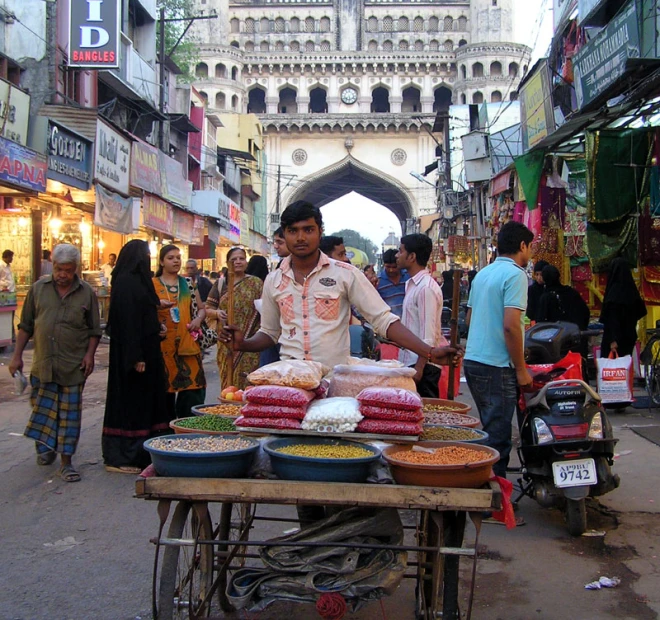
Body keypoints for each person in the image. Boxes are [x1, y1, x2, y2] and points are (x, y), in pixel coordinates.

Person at [220, 201, 460, 371]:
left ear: (320, 232)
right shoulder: (274, 280)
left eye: (308, 230)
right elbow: (271, 333)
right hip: (291, 380)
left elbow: (384, 321)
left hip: (334, 381)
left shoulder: (345, 274)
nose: (301, 238)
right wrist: (244, 344)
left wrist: (428, 352)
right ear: (284, 234)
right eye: (293, 231)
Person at [9, 244, 101, 482]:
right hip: (44, 364)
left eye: (68, 271)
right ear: (53, 265)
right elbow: (26, 325)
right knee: (42, 408)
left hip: (73, 366)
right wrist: (17, 356)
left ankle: (66, 462)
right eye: (59, 269)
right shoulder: (38, 289)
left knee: (69, 416)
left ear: (76, 270)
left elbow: (94, 330)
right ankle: (45, 446)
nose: (63, 275)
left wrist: (89, 355)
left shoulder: (86, 293)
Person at [464, 221, 534, 478]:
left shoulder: (483, 274)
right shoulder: (516, 275)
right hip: (496, 366)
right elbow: (511, 326)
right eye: (530, 247)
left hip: (474, 362)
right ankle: (493, 503)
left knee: (491, 430)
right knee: (498, 439)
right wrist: (522, 370)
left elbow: (470, 320)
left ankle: (488, 493)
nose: (530, 254)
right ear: (522, 246)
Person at [102, 240, 169, 474]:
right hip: (135, 357)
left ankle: (143, 454)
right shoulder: (128, 283)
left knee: (145, 403)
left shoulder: (137, 282)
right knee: (132, 404)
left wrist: (156, 329)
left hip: (146, 352)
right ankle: (123, 456)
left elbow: (143, 317)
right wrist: (136, 356)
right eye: (146, 255)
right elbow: (129, 324)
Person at [153, 245, 207, 419]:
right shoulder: (152, 285)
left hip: (188, 345)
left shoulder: (188, 284)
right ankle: (164, 437)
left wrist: (198, 320)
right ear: (161, 261)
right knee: (163, 394)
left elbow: (201, 309)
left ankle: (187, 433)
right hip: (162, 347)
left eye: (178, 257)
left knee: (192, 391)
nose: (176, 260)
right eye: (170, 257)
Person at [396, 234, 446, 398]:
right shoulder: (412, 285)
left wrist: (419, 368)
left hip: (423, 365)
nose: (397, 255)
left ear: (412, 257)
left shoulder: (425, 288)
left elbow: (429, 336)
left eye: (400, 251)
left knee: (425, 415)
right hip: (411, 362)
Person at [206, 247, 263, 390]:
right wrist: (218, 313)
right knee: (228, 379)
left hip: (250, 341)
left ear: (246, 262)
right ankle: (227, 408)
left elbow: (264, 310)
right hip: (226, 340)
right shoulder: (221, 284)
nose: (238, 262)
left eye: (241, 258)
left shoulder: (256, 283)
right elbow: (207, 309)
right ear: (227, 263)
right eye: (234, 259)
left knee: (249, 381)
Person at [600, 257, 647, 358]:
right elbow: (641, 311)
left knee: (613, 370)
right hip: (629, 337)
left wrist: (613, 340)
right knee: (624, 368)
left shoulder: (614, 294)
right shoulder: (632, 292)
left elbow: (612, 320)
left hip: (615, 341)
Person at [537, 265, 590, 330]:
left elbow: (541, 322)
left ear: (545, 279)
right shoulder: (571, 292)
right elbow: (585, 312)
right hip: (577, 335)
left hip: (557, 337)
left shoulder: (546, 297)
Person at [377, 248, 409, 317]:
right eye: (388, 267)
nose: (391, 270)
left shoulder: (408, 277)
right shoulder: (378, 281)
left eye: (394, 267)